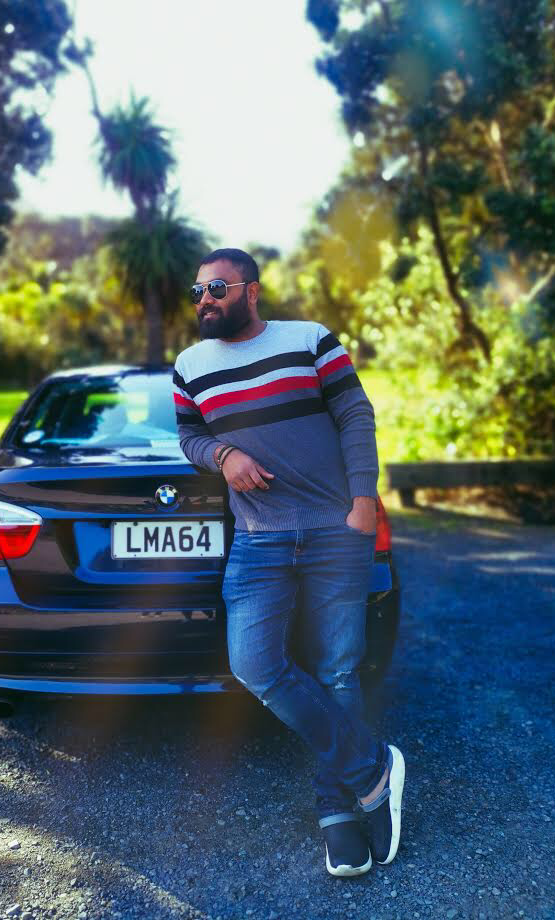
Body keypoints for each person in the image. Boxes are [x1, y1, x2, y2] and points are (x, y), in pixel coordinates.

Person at [172, 248, 405, 878]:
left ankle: (337, 812)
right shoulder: (190, 365)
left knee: (338, 670)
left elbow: (355, 413)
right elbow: (189, 435)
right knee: (254, 663)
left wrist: (363, 500)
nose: (205, 301)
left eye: (217, 289)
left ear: (251, 290)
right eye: (197, 292)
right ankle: (373, 771)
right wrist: (223, 456)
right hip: (259, 538)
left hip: (334, 529)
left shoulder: (309, 339)